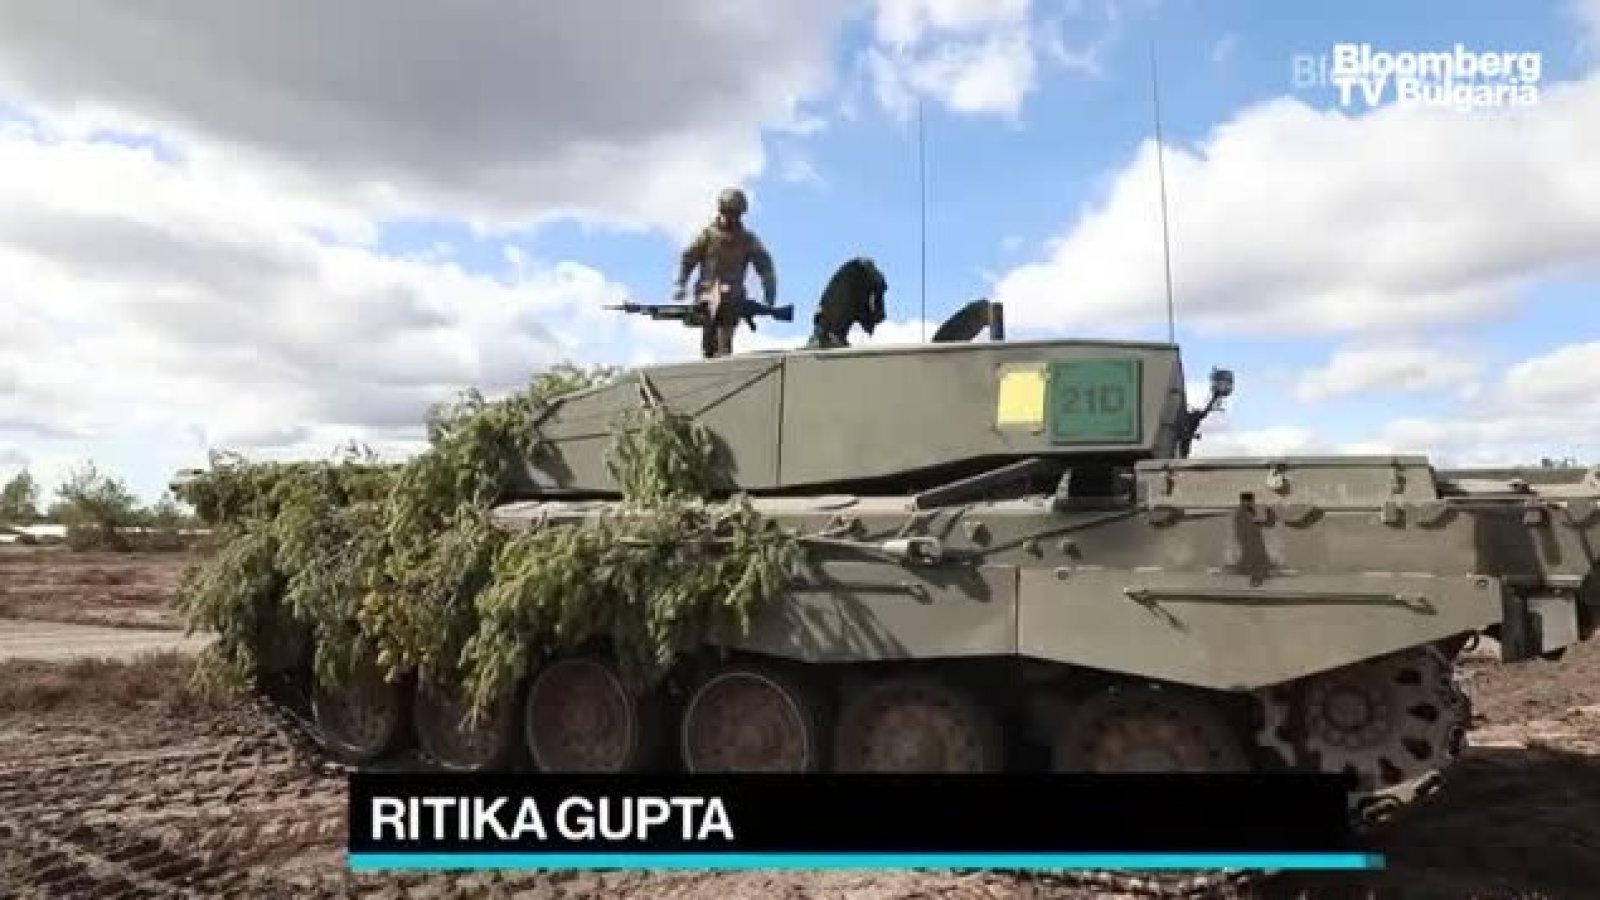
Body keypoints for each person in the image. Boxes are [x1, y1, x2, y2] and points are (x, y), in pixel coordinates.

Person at [673, 187, 778, 359]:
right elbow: (687, 258)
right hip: (708, 295)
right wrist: (680, 283)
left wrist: (770, 292)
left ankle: (722, 356)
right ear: (721, 210)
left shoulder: (747, 239)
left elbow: (765, 265)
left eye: (735, 213)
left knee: (724, 345)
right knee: (709, 343)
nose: (731, 217)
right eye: (728, 212)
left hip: (733, 298)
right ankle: (710, 356)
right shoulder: (708, 235)